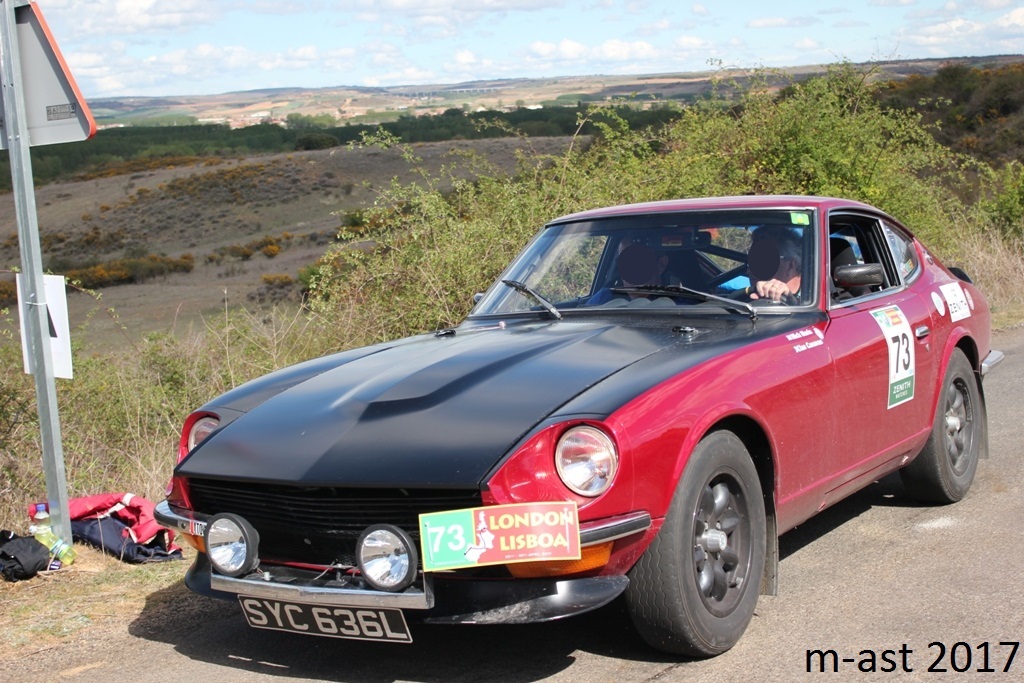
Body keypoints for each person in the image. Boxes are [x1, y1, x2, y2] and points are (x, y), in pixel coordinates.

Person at [745, 228, 802, 303]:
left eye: (762, 262)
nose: (749, 271)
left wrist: (792, 302)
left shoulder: (817, 302)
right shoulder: (742, 300)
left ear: (791, 266)